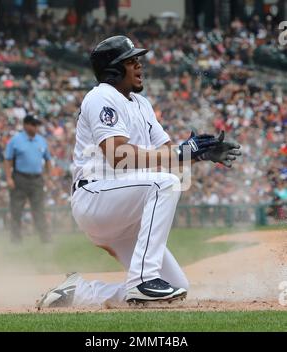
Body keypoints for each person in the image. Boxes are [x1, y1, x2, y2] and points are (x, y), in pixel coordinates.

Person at [37, 36, 241, 308]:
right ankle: (142, 280)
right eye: (130, 61)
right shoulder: (101, 97)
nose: (139, 65)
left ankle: (79, 292)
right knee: (164, 184)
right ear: (113, 69)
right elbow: (118, 153)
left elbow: (168, 157)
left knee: (176, 288)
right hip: (95, 195)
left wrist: (197, 154)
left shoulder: (142, 105)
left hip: (126, 209)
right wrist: (179, 153)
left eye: (137, 60)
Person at [4, 114, 52, 243]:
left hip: (37, 179)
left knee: (39, 210)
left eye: (37, 125)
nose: (36, 127)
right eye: (33, 124)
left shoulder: (41, 140)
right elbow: (8, 160)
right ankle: (16, 239)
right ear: (25, 125)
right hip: (20, 178)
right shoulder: (15, 140)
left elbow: (48, 160)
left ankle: (45, 238)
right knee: (16, 210)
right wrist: (9, 178)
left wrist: (48, 177)